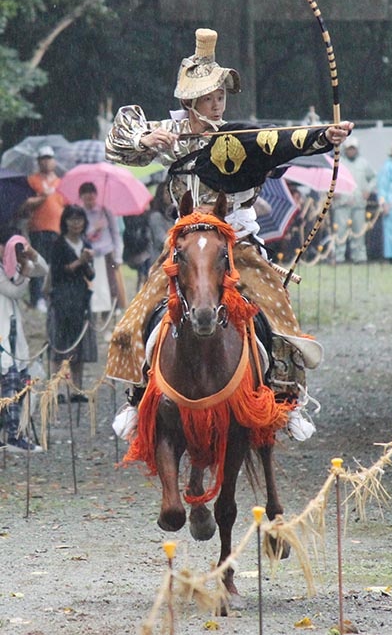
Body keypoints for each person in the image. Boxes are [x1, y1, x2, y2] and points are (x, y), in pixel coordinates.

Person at [104, 27, 353, 440]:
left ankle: (286, 401)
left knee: (278, 315)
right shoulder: (171, 133)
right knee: (135, 320)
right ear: (190, 101)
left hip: (236, 242)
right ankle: (138, 398)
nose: (218, 103)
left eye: (221, 95)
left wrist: (324, 136)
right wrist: (147, 137)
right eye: (209, 97)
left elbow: (280, 139)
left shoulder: (238, 135)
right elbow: (118, 140)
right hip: (184, 243)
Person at [0, 227, 47, 452]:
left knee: (17, 381)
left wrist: (33, 256)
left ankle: (14, 433)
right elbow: (13, 291)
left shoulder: (12, 267)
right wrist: (26, 274)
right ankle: (11, 436)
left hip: (12, 330)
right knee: (9, 383)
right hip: (2, 333)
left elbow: (43, 269)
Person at [47, 205, 97, 400]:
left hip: (80, 299)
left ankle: (77, 389)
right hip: (61, 298)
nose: (76, 223)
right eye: (72, 219)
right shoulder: (58, 244)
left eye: (79, 219)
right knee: (59, 345)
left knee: (79, 346)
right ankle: (57, 390)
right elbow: (57, 272)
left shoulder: (86, 243)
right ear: (65, 221)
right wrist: (79, 261)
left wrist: (86, 261)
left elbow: (91, 274)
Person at [23, 146, 66, 312]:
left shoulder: (60, 182)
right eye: (43, 158)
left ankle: (51, 295)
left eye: (49, 158)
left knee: (54, 264)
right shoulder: (32, 180)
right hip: (38, 228)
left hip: (56, 229)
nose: (46, 161)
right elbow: (27, 203)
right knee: (38, 263)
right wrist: (43, 196)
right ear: (39, 161)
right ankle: (37, 297)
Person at [78, 182, 124, 325]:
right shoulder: (79, 214)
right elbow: (80, 235)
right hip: (89, 255)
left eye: (92, 195)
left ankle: (108, 319)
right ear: (81, 197)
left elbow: (116, 234)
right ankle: (92, 319)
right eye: (86, 196)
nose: (90, 199)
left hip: (107, 254)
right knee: (93, 288)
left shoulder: (105, 211)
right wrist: (93, 228)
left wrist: (118, 256)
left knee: (110, 289)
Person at [333, 136, 376, 264]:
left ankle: (359, 257)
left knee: (359, 231)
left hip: (358, 203)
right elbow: (330, 178)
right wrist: (334, 191)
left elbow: (374, 177)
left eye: (353, 149)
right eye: (349, 149)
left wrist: (368, 189)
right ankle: (338, 257)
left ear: (357, 149)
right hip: (342, 203)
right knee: (340, 231)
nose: (351, 151)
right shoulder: (339, 163)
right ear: (345, 149)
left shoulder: (364, 163)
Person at [148, 181, 175, 258]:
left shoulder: (172, 213)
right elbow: (161, 239)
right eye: (166, 193)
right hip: (160, 258)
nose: (169, 195)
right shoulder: (156, 216)